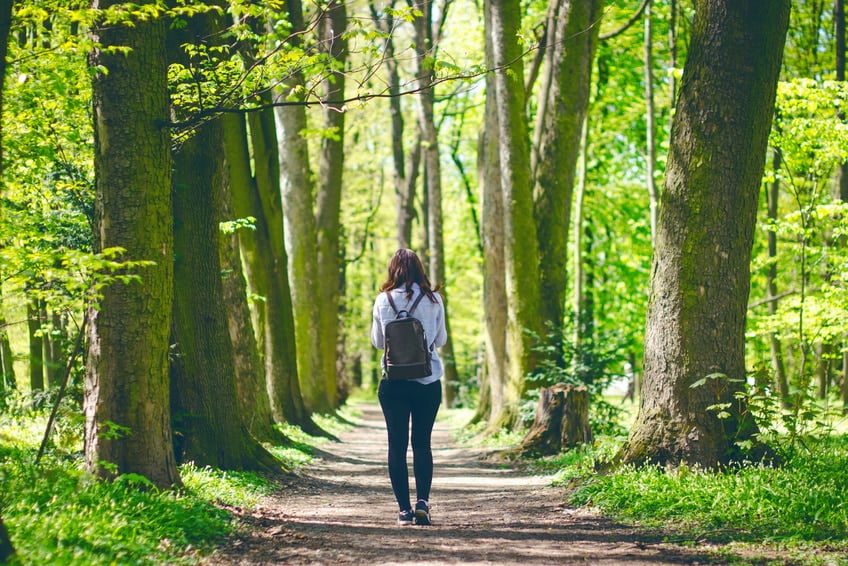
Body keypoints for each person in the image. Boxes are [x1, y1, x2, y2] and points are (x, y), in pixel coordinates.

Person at [371, 249, 447, 526]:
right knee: (422, 444)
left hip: (393, 383)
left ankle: (403, 510)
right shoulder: (434, 299)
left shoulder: (383, 299)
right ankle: (423, 503)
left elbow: (379, 342)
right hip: (428, 381)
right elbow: (440, 340)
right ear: (419, 269)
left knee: (397, 445)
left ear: (393, 270)